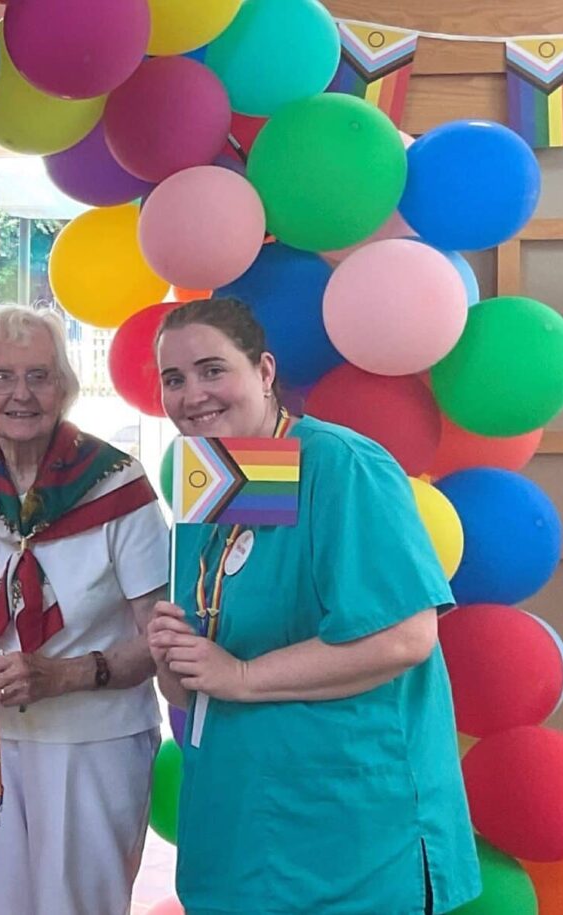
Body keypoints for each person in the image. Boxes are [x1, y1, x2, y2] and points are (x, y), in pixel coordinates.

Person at [150, 297, 478, 914]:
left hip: (349, 836)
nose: (193, 394)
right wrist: (176, 658)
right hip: (243, 825)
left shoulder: (341, 464)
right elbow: (204, 672)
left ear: (265, 372)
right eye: (174, 379)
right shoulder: (212, 477)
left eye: (213, 370)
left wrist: (242, 677)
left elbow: (405, 639)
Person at [0, 304, 167, 915]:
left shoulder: (120, 486)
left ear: (65, 387)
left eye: (39, 375)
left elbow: (158, 636)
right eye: (2, 376)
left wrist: (64, 675)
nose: (20, 394)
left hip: (93, 743)